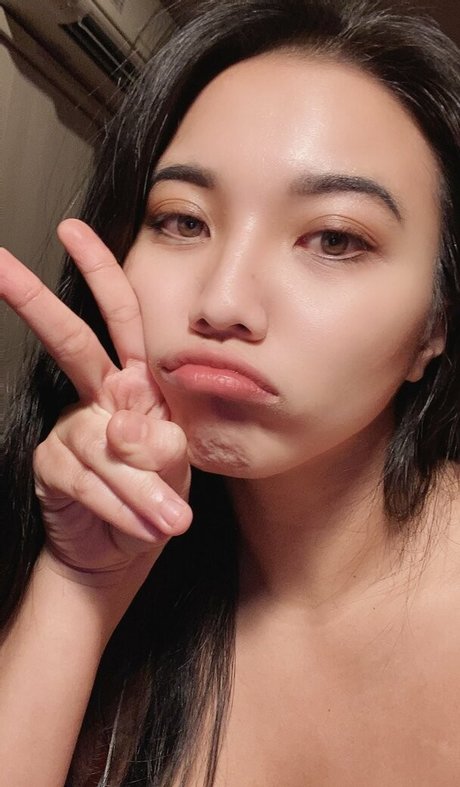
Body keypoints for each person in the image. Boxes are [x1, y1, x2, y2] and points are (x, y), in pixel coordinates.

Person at [1, 0, 460, 784]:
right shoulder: (78, 546)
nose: (222, 300)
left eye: (335, 238)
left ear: (433, 327)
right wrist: (78, 586)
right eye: (182, 221)